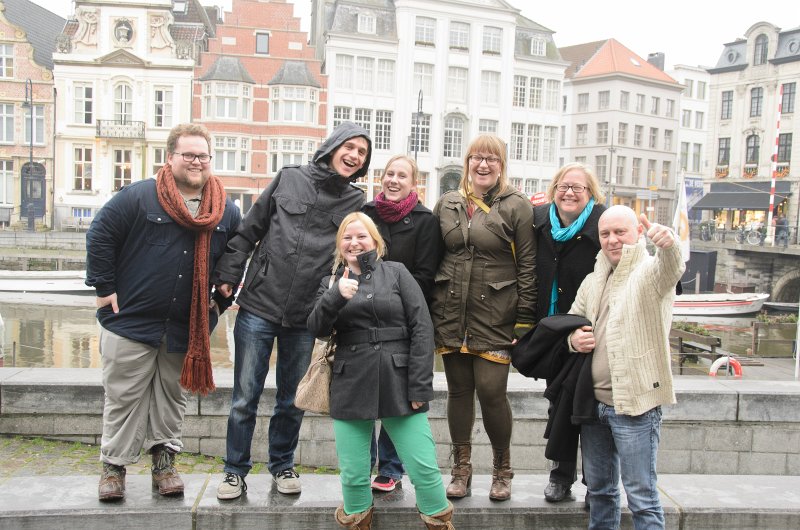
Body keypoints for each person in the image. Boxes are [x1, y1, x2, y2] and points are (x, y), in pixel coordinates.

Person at [213, 121, 371, 499]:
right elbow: (249, 231)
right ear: (333, 146)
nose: (353, 155)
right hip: (258, 304)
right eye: (349, 146)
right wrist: (229, 274)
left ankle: (282, 465)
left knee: (291, 399)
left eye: (362, 153)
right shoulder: (289, 178)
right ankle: (234, 470)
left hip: (307, 314)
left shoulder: (355, 201)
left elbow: (354, 254)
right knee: (244, 396)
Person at [85, 123, 241, 501]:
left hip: (185, 326)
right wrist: (105, 288)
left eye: (203, 155)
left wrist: (221, 296)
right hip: (131, 322)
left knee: (172, 396)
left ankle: (165, 463)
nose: (196, 162)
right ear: (170, 157)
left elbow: (236, 256)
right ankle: (114, 468)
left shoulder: (225, 211)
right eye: (188, 154)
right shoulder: (139, 197)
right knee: (123, 396)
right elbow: (100, 234)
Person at [307, 212, 454, 529]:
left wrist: (420, 386)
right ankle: (358, 520)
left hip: (398, 378)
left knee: (423, 466)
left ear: (375, 241)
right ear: (339, 245)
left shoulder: (397, 273)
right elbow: (317, 329)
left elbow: (422, 328)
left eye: (361, 236)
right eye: (347, 237)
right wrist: (335, 297)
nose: (354, 242)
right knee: (353, 471)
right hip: (350, 379)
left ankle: (438, 522)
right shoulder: (330, 281)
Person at [431, 134, 536, 501]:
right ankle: (461, 468)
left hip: (496, 312)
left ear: (502, 164)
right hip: (451, 310)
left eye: (492, 158)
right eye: (477, 157)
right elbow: (432, 259)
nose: (483, 164)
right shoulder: (447, 203)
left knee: (492, 392)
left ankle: (502, 469)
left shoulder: (517, 206)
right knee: (458, 392)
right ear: (468, 163)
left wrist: (524, 318)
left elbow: (528, 264)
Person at [568, 206, 685, 529]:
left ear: (636, 233)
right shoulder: (593, 279)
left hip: (636, 407)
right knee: (601, 492)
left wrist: (669, 243)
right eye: (605, 234)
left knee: (642, 497)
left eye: (620, 232)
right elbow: (571, 323)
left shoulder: (650, 272)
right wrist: (573, 339)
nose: (612, 240)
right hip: (595, 406)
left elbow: (672, 267)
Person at [361, 155, 443, 493]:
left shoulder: (425, 221)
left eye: (402, 176)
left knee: (397, 395)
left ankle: (391, 468)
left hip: (403, 318)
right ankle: (362, 463)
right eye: (389, 174)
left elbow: (426, 274)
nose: (394, 180)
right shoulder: (366, 215)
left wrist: (393, 301)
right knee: (362, 393)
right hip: (362, 315)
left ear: (414, 183)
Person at [533, 163, 606, 503]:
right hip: (556, 331)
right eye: (563, 186)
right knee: (559, 405)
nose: (569, 193)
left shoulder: (602, 224)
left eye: (578, 188)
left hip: (596, 330)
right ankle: (561, 476)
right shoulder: (539, 222)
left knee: (594, 411)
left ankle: (597, 483)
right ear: (553, 190)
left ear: (591, 194)